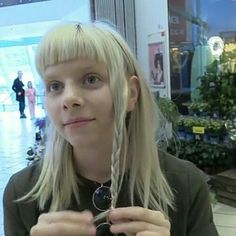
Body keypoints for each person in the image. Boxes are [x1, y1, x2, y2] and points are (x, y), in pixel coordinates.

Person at [3, 22, 219, 236]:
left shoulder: (186, 184)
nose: (68, 99)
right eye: (55, 86)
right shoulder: (22, 193)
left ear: (131, 94)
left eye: (90, 79)